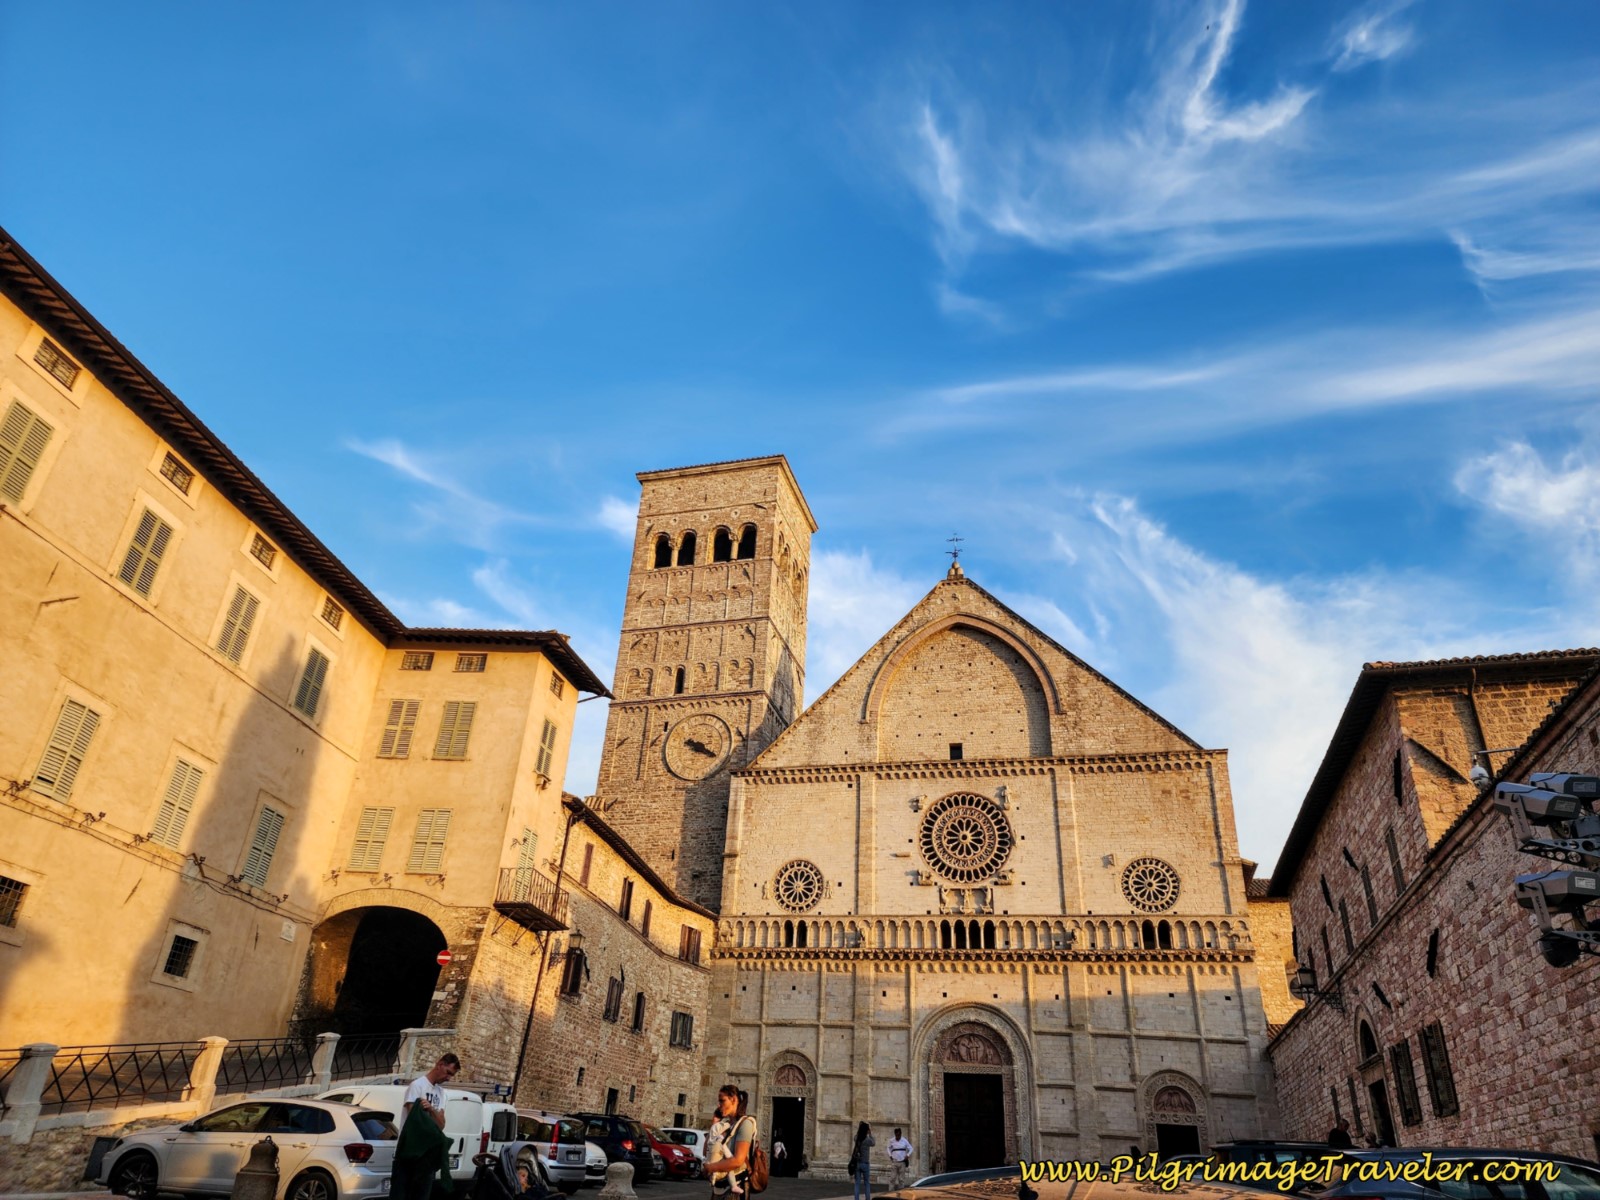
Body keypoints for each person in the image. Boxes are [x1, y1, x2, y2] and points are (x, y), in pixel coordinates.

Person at [392, 1054, 462, 1200]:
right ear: (440, 1064)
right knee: (401, 1194)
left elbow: (441, 1125)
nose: (448, 1078)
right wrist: (433, 1116)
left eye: (452, 1075)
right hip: (409, 1153)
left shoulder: (441, 1093)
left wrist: (430, 1109)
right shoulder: (417, 1086)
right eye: (448, 1073)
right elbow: (415, 1120)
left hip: (427, 1157)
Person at [705, 1084, 758, 1197]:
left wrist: (711, 1167)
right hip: (719, 1188)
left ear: (733, 1099)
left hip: (735, 1189)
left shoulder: (745, 1124)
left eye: (722, 1101)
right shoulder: (724, 1125)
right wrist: (714, 1123)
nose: (719, 1105)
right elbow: (707, 1150)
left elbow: (737, 1160)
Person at [850, 1122, 874, 1200]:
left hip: (857, 1163)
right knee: (867, 1183)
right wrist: (870, 1133)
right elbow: (873, 1143)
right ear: (866, 1130)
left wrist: (860, 1129)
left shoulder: (857, 1138)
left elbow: (856, 1136)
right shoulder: (867, 1140)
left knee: (857, 1183)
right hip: (865, 1163)